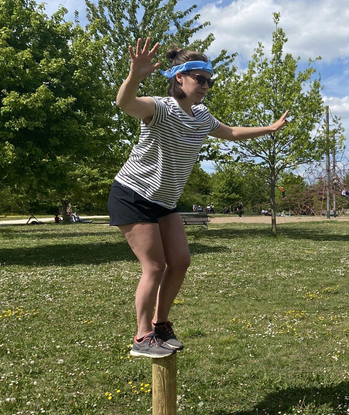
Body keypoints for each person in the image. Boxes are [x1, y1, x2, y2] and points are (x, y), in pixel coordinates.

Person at [108, 38, 288, 358]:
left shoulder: (202, 116)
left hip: (164, 201)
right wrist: (135, 74)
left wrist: (270, 129)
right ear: (180, 77)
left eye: (210, 80)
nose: (206, 85)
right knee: (155, 266)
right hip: (133, 194)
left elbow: (231, 132)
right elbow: (125, 102)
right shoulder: (159, 108)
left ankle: (161, 325)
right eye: (200, 79)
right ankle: (141, 337)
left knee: (181, 261)